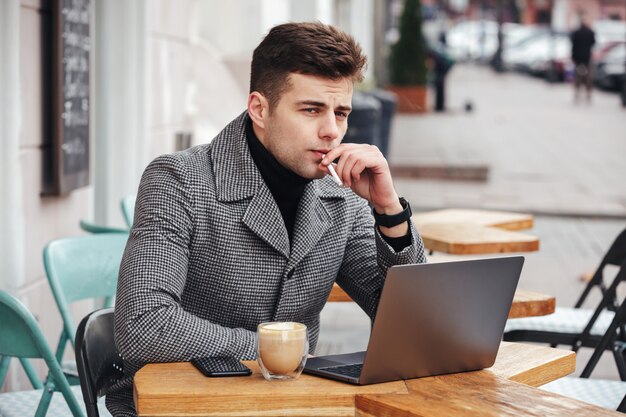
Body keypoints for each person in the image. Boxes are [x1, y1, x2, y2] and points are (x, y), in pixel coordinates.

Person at [107, 22, 426, 416]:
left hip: (292, 405)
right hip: (180, 404)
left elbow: (410, 324)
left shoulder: (342, 194)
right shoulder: (179, 180)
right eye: (311, 109)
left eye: (340, 113)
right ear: (260, 108)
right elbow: (142, 324)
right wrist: (273, 349)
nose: (331, 131)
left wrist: (389, 211)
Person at [570, 17, 596, 103]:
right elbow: (593, 43)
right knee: (588, 76)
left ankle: (577, 92)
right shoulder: (590, 32)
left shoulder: (576, 33)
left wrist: (573, 57)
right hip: (587, 58)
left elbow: (573, 45)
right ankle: (588, 93)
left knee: (578, 76)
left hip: (578, 58)